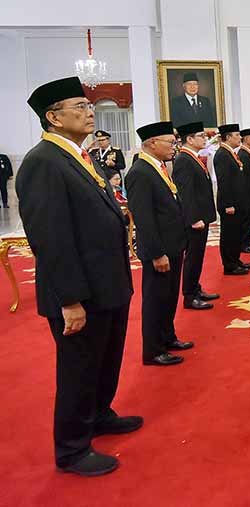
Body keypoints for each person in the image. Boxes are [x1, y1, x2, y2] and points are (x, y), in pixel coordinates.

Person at [17, 76, 139, 477]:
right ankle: (71, 449)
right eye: (79, 107)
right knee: (79, 369)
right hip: (80, 292)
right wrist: (69, 299)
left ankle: (99, 415)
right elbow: (51, 239)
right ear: (53, 117)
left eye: (89, 106)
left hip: (106, 284)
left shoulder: (78, 156)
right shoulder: (43, 163)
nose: (89, 113)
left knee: (105, 360)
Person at [125, 121, 194, 366]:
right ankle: (153, 350)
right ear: (152, 143)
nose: (174, 147)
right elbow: (144, 217)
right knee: (156, 300)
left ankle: (167, 337)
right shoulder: (140, 172)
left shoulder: (159, 167)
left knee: (168, 296)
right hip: (160, 251)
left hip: (172, 245)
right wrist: (156, 253)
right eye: (170, 142)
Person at [173, 121, 219, 310]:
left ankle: (196, 288)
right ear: (190, 139)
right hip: (195, 219)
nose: (205, 139)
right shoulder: (184, 160)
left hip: (201, 215)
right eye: (201, 136)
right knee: (193, 256)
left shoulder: (194, 157)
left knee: (198, 255)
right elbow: (185, 193)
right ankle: (189, 296)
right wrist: (193, 218)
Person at [213, 123, 250, 275]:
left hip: (238, 203)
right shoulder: (222, 154)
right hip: (230, 205)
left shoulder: (230, 152)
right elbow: (224, 181)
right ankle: (230, 265)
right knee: (229, 235)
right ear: (228, 137)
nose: (239, 138)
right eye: (236, 135)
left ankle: (236, 260)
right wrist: (228, 203)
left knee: (236, 234)